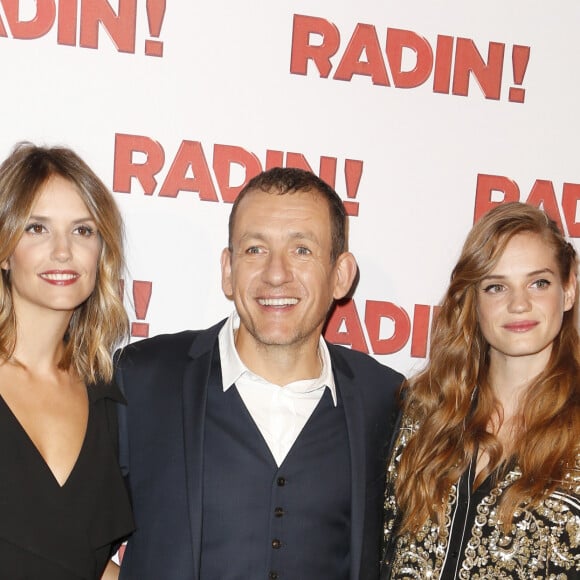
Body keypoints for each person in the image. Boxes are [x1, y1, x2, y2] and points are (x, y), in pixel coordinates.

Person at [115, 167, 403, 580]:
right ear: (228, 270)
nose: (275, 273)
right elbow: (67, 540)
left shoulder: (387, 400)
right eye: (255, 249)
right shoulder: (143, 380)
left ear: (341, 275)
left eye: (302, 249)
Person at [381, 202, 580, 579]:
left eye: (539, 283)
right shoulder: (423, 415)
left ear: (568, 290)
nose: (519, 303)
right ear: (473, 302)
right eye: (495, 286)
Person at [0, 143, 134, 579]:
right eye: (37, 228)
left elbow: (85, 564)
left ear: (101, 252)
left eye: (83, 230)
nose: (63, 252)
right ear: (4, 249)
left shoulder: (108, 396)